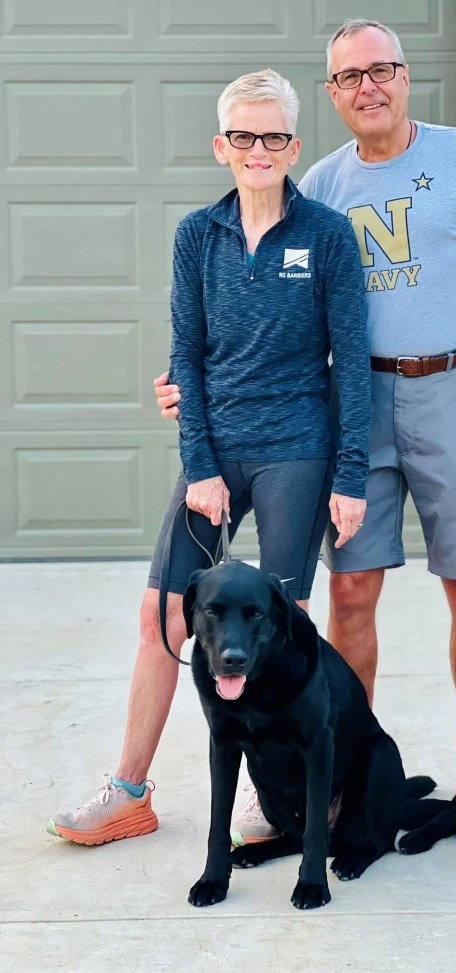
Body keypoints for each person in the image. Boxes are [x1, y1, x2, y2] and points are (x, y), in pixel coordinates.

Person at [157, 16, 456, 831]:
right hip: (355, 399)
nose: (367, 87)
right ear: (331, 95)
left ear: (406, 78)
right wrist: (193, 386)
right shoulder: (323, 184)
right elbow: (258, 299)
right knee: (352, 591)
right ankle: (337, 761)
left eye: (382, 71)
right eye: (349, 78)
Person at [46, 69, 371, 846]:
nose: (258, 149)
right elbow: (185, 357)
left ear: (294, 144)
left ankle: (273, 790)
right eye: (243, 136)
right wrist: (199, 465)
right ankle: (129, 790)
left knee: (280, 622)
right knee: (163, 611)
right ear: (221, 146)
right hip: (216, 446)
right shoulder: (198, 234)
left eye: (274, 136)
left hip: (297, 446)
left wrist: (350, 475)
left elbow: (352, 362)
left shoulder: (326, 236)